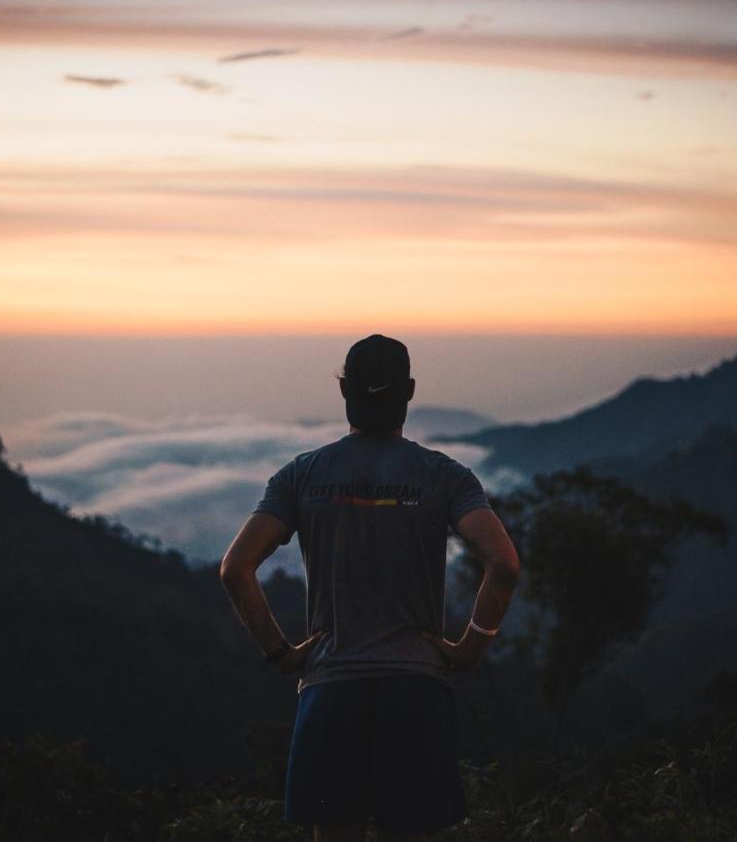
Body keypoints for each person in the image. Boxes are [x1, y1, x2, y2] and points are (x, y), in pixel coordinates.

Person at [219, 334, 522, 841]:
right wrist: (470, 647)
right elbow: (505, 564)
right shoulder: (446, 477)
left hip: (331, 691)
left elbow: (236, 569)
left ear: (343, 390)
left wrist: (281, 653)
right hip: (417, 692)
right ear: (409, 391)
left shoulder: (301, 475)